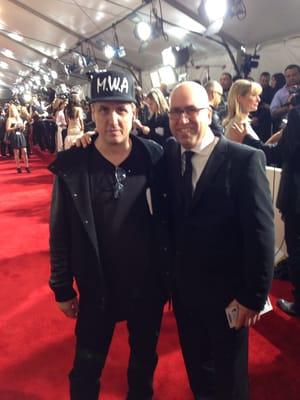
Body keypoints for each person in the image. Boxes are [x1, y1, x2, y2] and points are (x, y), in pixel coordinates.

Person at [48, 69, 170, 400]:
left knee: (144, 364)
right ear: (91, 113)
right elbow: (59, 231)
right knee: (86, 369)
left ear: (134, 113)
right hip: (95, 288)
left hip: (147, 286)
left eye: (121, 110)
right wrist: (61, 286)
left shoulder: (155, 157)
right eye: (103, 110)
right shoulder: (73, 166)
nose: (113, 119)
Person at [165, 81, 274, 400]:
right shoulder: (171, 154)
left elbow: (261, 235)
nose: (182, 120)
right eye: (175, 112)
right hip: (185, 296)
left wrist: (253, 297)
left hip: (230, 300)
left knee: (230, 381)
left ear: (209, 112)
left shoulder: (244, 161)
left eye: (190, 111)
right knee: (198, 375)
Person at [228, 97, 300, 317]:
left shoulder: (297, 114)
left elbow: (278, 154)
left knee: (296, 250)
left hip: (296, 198)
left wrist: (247, 140)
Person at [5, 103, 31, 173]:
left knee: (24, 151)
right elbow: (7, 129)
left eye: (14, 109)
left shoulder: (19, 118)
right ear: (10, 111)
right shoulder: (9, 119)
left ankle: (27, 166)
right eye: (12, 110)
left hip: (21, 134)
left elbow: (23, 128)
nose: (14, 111)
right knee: (16, 152)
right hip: (14, 136)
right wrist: (15, 127)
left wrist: (23, 127)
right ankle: (18, 167)